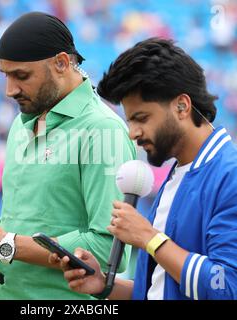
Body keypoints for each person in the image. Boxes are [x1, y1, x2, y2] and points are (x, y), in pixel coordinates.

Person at [0, 12, 136, 299]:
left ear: (62, 63)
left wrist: (5, 244)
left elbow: (108, 252)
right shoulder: (22, 122)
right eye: (5, 75)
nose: (9, 90)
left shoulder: (103, 130)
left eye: (21, 76)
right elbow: (26, 228)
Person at [51, 38, 237, 300]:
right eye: (129, 120)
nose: (132, 133)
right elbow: (161, 289)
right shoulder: (178, 174)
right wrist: (104, 285)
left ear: (182, 106)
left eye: (142, 118)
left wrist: (149, 237)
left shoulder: (229, 175)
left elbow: (226, 286)